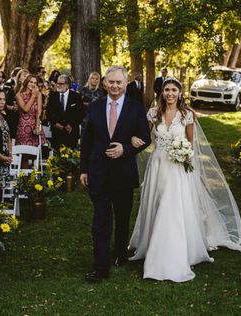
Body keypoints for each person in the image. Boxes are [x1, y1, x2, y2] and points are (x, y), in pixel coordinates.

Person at [128, 77, 241, 282]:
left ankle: (168, 254)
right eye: (167, 89)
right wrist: (132, 138)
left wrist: (183, 153)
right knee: (156, 204)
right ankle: (151, 243)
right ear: (162, 92)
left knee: (170, 207)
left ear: (180, 93)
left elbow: (191, 144)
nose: (170, 93)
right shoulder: (154, 113)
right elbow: (145, 136)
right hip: (157, 166)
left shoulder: (187, 115)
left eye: (174, 90)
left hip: (176, 168)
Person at [79, 65, 151, 283]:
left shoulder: (135, 108)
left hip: (123, 173)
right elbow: (87, 141)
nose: (115, 86)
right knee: (101, 220)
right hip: (98, 171)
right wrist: (83, 169)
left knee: (122, 217)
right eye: (111, 82)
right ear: (104, 83)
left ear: (126, 83)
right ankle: (100, 267)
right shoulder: (94, 107)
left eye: (119, 82)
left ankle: (120, 252)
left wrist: (126, 149)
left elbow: (145, 138)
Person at [46, 74, 85, 149]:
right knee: (57, 157)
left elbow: (81, 113)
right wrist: (55, 123)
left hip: (71, 132)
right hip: (57, 132)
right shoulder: (53, 96)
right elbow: (49, 112)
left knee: (71, 158)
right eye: (57, 83)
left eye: (61, 84)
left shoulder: (76, 96)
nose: (58, 85)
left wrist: (71, 125)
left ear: (67, 85)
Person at [15, 75, 46, 146]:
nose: (33, 84)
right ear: (26, 82)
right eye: (31, 82)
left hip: (35, 125)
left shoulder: (39, 94)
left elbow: (39, 111)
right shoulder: (19, 95)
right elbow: (26, 109)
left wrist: (37, 126)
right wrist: (33, 96)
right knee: (24, 153)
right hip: (23, 126)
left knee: (36, 154)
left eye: (35, 83)